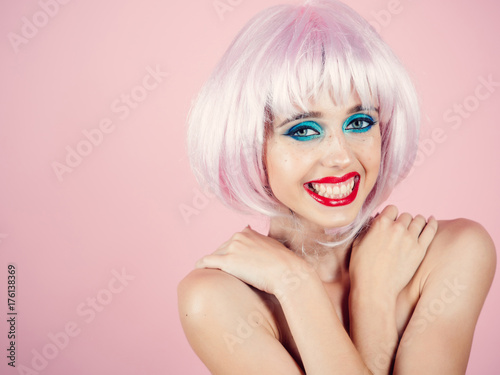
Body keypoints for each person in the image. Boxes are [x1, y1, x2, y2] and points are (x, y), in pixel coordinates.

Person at [177, 0, 496, 373]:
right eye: (303, 130)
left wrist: (370, 296)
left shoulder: (452, 252)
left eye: (359, 122)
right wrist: (296, 283)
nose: (341, 157)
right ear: (250, 144)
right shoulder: (216, 300)